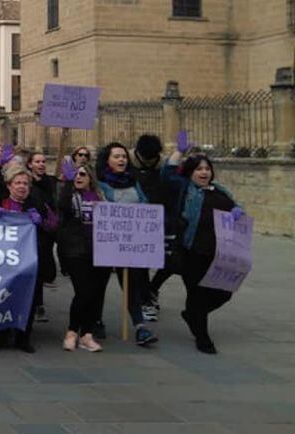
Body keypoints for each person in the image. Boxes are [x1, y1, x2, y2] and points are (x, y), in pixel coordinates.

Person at [164, 147, 242, 354]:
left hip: (217, 253)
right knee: (197, 293)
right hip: (191, 251)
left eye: (207, 168)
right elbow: (168, 173)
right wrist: (178, 152)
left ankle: (192, 315)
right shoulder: (184, 188)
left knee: (224, 293)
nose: (204, 172)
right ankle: (202, 336)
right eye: (199, 169)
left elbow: (235, 206)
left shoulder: (219, 190)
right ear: (190, 172)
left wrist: (237, 211)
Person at [96, 142, 158, 347]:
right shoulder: (101, 184)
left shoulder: (134, 182)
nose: (121, 159)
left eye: (123, 156)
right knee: (100, 283)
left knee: (130, 285)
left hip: (129, 243)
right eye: (116, 156)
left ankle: (140, 326)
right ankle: (96, 320)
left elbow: (144, 202)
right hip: (108, 242)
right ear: (107, 160)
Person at [0, 162, 54, 353]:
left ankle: (23, 336)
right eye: (17, 183)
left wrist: (42, 222)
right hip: (3, 261)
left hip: (30, 261)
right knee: (2, 295)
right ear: (9, 185)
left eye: (25, 183)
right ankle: (2, 333)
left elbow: (54, 225)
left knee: (29, 299)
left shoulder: (38, 204)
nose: (22, 187)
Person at [56, 162, 107, 353]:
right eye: (76, 174)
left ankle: (86, 334)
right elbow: (62, 206)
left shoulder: (100, 197)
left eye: (83, 174)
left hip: (100, 250)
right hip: (76, 251)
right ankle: (71, 332)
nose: (79, 177)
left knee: (94, 294)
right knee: (83, 291)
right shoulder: (70, 195)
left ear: (90, 178)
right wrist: (68, 182)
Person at [131, 134, 177, 318]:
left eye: (153, 159)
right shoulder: (128, 165)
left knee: (173, 261)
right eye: (146, 160)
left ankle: (152, 288)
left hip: (165, 220)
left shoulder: (164, 167)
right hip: (139, 223)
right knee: (141, 264)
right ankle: (145, 299)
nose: (150, 163)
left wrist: (179, 153)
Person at [26, 150, 58, 322]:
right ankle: (35, 303)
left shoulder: (51, 182)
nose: (41, 164)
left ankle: (38, 303)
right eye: (37, 161)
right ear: (30, 164)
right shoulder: (26, 182)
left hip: (45, 229)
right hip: (28, 229)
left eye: (43, 161)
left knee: (42, 268)